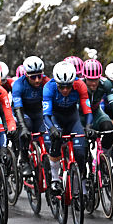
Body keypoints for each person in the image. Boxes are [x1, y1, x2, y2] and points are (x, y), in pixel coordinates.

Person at [42, 61, 92, 195]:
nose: (65, 90)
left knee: (80, 152)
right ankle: (54, 179)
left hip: (72, 118)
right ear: (56, 83)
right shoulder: (48, 87)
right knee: (56, 141)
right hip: (56, 118)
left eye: (68, 87)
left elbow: (87, 110)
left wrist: (88, 126)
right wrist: (51, 128)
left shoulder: (80, 85)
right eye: (62, 87)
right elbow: (46, 115)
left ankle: (80, 181)